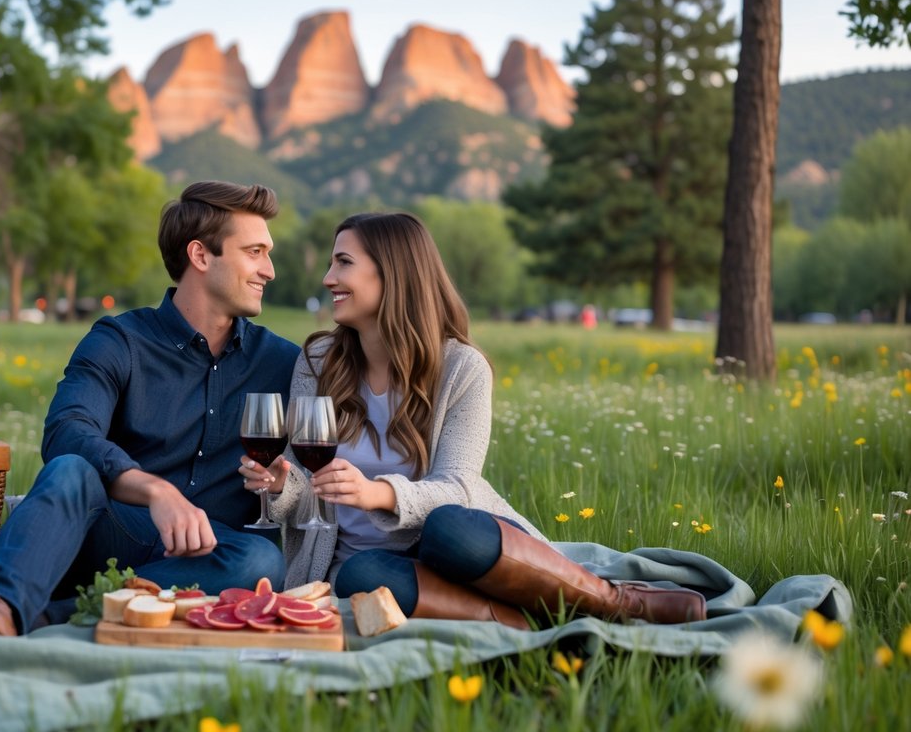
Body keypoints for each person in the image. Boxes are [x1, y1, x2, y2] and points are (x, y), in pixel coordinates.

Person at [241, 212, 705, 627]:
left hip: (459, 545)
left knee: (450, 524)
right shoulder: (318, 361)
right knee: (362, 578)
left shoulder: (462, 368)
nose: (327, 278)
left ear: (393, 274)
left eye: (343, 263)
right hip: (376, 563)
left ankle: (616, 603)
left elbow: (460, 486)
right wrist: (282, 487)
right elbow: (305, 488)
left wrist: (374, 493)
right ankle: (526, 621)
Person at [0, 181, 300, 635]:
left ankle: (38, 616)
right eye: (254, 252)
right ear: (201, 255)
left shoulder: (282, 362)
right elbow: (66, 430)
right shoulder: (120, 341)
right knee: (71, 469)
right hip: (115, 531)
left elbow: (325, 453)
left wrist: (283, 484)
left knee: (259, 560)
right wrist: (157, 492)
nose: (269, 270)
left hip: (212, 554)